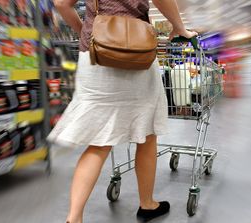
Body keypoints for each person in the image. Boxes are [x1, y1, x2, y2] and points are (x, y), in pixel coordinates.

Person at [50, 0, 197, 222]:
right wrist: (179, 27)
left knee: (99, 142)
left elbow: (61, 3)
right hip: (137, 52)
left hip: (94, 54)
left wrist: (88, 32)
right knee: (147, 133)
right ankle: (147, 204)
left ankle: (74, 218)